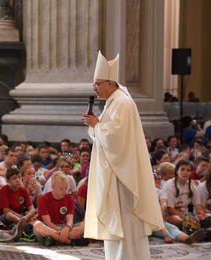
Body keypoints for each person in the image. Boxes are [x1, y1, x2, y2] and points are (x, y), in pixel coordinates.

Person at [82, 51, 164, 260]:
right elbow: (106, 135)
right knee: (118, 227)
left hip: (122, 177)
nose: (95, 89)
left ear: (110, 82)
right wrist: (96, 125)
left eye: (97, 84)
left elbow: (116, 140)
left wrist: (97, 125)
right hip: (115, 173)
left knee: (125, 223)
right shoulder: (114, 102)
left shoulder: (123, 103)